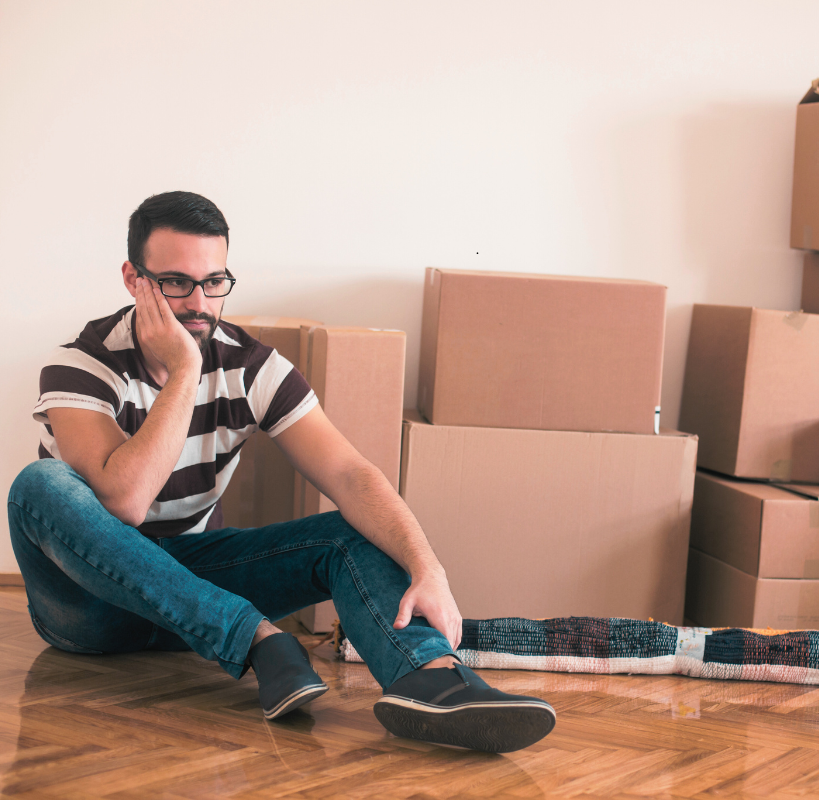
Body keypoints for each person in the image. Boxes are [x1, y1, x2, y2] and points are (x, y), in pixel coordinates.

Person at [7, 190, 555, 753]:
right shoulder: (80, 364)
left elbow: (349, 474)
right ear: (133, 279)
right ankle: (257, 639)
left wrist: (427, 566)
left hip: (196, 584)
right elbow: (126, 503)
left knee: (348, 531)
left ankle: (431, 679)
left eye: (213, 281)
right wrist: (185, 371)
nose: (198, 303)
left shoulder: (254, 367)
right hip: (89, 608)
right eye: (175, 282)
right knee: (38, 487)